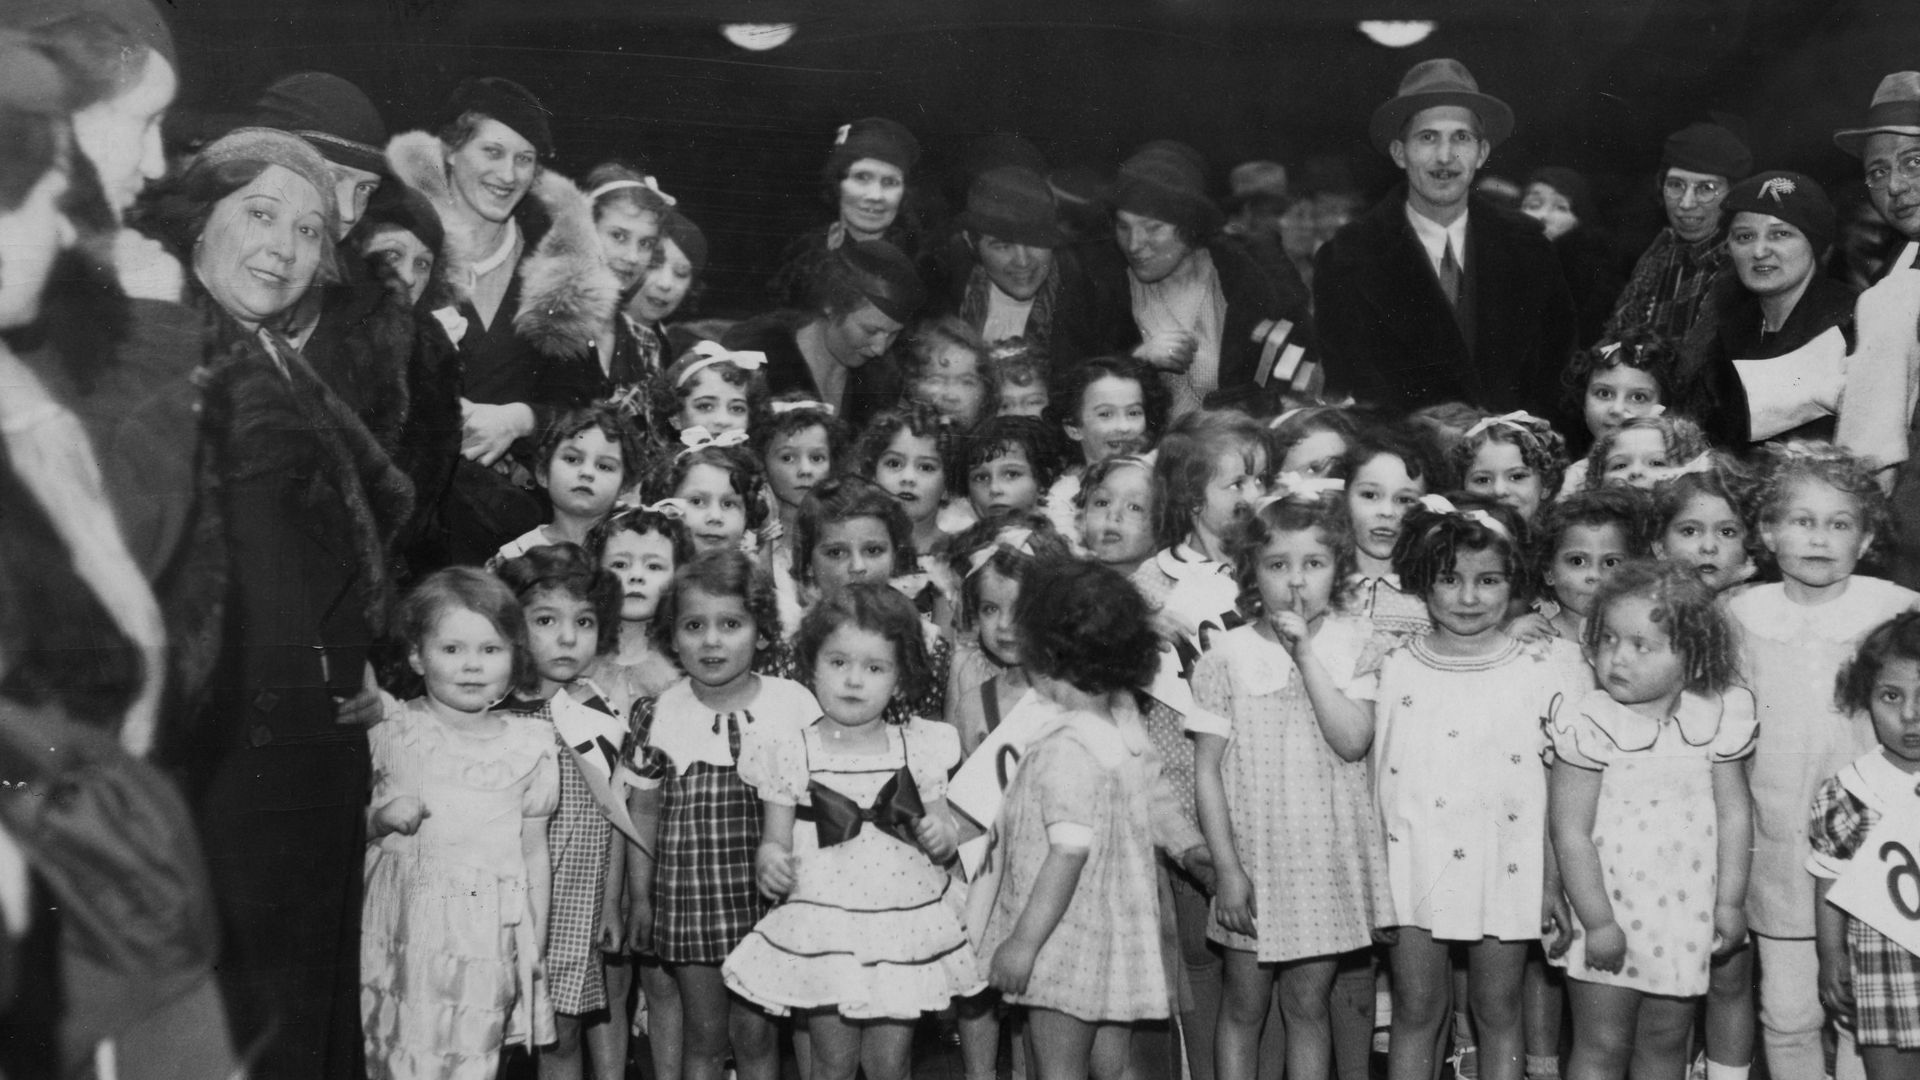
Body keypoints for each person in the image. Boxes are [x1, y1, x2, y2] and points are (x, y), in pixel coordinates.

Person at [137, 125, 414, 1080]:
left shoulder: (274, 360)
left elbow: (308, 551)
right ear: (195, 225)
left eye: (306, 231)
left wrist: (354, 663)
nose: (284, 249)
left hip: (304, 753)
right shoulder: (165, 356)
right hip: (226, 766)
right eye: (259, 214)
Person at [0, 33, 239, 1079]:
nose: (153, 167)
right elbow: (117, 556)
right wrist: (152, 330)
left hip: (99, 857)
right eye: (139, 122)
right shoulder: (99, 315)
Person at [723, 585, 983, 1080]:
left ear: (901, 677)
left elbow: (945, 830)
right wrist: (770, 863)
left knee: (888, 1063)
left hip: (901, 922)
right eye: (838, 662)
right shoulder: (788, 749)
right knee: (834, 1062)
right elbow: (774, 841)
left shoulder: (919, 747)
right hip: (826, 922)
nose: (854, 680)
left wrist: (939, 834)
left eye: (874, 668)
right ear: (810, 664)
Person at [1370, 495, 1586, 1080]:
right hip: (1412, 864)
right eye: (1450, 579)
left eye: (1488, 580)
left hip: (1507, 864)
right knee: (1418, 1009)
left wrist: (1552, 880)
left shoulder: (1545, 667)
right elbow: (1374, 778)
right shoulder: (1392, 667)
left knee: (1497, 1008)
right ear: (1422, 580)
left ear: (1514, 581)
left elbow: (1553, 785)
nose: (1469, 598)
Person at [1725, 444, 1919, 1080]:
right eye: (1801, 520)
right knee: (1787, 1012)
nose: (1818, 537)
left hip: (1877, 845)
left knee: (1867, 1017)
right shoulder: (1741, 615)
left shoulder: (1895, 609)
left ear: (1865, 540)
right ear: (1766, 531)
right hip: (1777, 847)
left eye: (1839, 524)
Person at [975, 559, 1210, 1080]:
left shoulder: (1066, 747)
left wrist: (1022, 944)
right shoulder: (1119, 719)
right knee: (1113, 1065)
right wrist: (1193, 849)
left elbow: (1067, 854)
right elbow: (1153, 797)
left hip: (1061, 939)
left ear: (1045, 657)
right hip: (1119, 936)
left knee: (1058, 1068)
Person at [1190, 490, 1389, 1080]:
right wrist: (1226, 869)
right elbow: (1207, 771)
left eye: (1314, 564)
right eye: (1278, 565)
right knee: (1244, 1006)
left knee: (1308, 1004)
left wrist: (1306, 655)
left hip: (1321, 866)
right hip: (1252, 862)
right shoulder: (1224, 654)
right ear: (1252, 572)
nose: (1296, 582)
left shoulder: (1356, 642)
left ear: (1339, 569)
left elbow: (1352, 740)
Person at [1546, 561, 1756, 1080]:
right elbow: (1569, 831)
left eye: (1642, 645)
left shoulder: (1714, 720)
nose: (1618, 657)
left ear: (1692, 655)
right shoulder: (1589, 724)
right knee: (1601, 1044)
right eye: (1609, 639)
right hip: (1608, 913)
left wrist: (1729, 901)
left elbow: (1734, 816)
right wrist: (1597, 921)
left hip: (1684, 916)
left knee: (1664, 1044)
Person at [622, 550, 819, 1080]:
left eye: (730, 624)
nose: (711, 641)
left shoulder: (794, 703)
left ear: (760, 632)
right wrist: (640, 897)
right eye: (694, 626)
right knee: (705, 1037)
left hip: (769, 899)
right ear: (672, 635)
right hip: (690, 900)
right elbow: (643, 809)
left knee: (756, 1037)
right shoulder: (658, 711)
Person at [362, 568, 560, 1080]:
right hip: (402, 934)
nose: (472, 666)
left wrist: (535, 936)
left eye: (490, 650)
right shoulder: (392, 727)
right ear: (415, 655)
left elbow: (533, 849)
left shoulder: (530, 744)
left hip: (485, 938)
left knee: (474, 1059)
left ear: (515, 657)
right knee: (397, 1055)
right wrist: (378, 820)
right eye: (451, 650)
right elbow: (337, 829)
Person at [1314, 58, 1576, 420]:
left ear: (1481, 153)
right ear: (1399, 153)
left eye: (1461, 138)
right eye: (1427, 137)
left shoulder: (1530, 248)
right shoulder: (1346, 257)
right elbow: (1348, 389)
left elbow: (1555, 375)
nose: (1445, 156)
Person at [495, 545, 630, 1080]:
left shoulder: (601, 712)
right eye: (546, 620)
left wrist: (613, 902)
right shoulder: (491, 713)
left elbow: (616, 815)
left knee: (562, 1032)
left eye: (585, 621)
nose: (568, 637)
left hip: (577, 900)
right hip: (505, 903)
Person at [248, 72, 416, 450]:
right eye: (332, 176)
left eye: (365, 189)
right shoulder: (176, 272)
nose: (349, 209)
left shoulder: (374, 309)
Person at [1098, 140, 1316, 416]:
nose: (1134, 244)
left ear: (1190, 226)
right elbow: (1079, 387)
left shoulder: (1250, 278)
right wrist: (1135, 362)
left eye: (1153, 228)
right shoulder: (1103, 289)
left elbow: (1301, 365)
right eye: (1123, 226)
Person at [1812, 612, 1920, 1080]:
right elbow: (1830, 880)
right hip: (1884, 964)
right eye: (1891, 696)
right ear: (1866, 698)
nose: (1910, 716)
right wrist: (1830, 955)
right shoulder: (1850, 790)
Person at [1677, 171, 1857, 447]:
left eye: (1780, 234)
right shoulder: (1729, 332)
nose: (1759, 251)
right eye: (1744, 236)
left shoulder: (1850, 324)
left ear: (1816, 245)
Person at [935, 164, 1118, 375]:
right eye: (1003, 245)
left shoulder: (1094, 310)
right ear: (970, 242)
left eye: (1036, 242)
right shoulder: (941, 299)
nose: (1023, 262)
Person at [728, 238, 926, 430]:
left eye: (893, 335)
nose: (880, 348)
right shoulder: (755, 360)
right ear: (830, 306)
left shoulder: (881, 383)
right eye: (870, 330)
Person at [1604, 122, 1753, 343]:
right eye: (1676, 185)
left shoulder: (1744, 266)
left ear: (1733, 195)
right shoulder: (1658, 254)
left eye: (1706, 188)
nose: (1685, 203)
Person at [770, 117, 921, 309]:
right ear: (837, 184)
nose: (876, 195)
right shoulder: (802, 253)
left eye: (890, 182)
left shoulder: (920, 265)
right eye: (862, 177)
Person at [1520, 167, 1624, 349]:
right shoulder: (1495, 265)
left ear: (1581, 219)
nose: (1543, 216)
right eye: (1533, 205)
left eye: (1561, 207)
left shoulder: (1593, 282)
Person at [627, 209, 707, 372]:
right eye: (654, 265)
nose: (665, 284)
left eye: (681, 273)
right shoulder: (586, 333)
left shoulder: (674, 350)